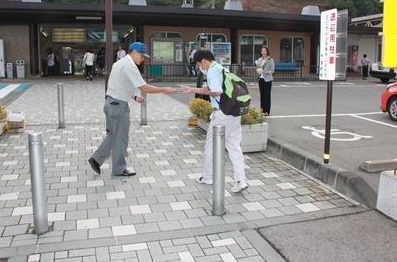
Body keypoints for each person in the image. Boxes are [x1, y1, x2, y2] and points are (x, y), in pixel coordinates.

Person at [88, 42, 176, 177]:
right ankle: (118, 169)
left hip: (110, 103)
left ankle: (96, 159)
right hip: (119, 106)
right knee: (121, 138)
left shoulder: (118, 64)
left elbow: (120, 84)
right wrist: (164, 89)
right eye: (142, 55)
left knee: (113, 135)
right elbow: (144, 87)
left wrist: (134, 96)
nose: (143, 59)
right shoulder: (130, 66)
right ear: (134, 52)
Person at [181, 49, 248, 193]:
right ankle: (240, 180)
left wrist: (206, 89)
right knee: (234, 147)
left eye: (199, 64)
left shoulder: (212, 71)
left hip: (222, 114)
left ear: (204, 61)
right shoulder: (221, 68)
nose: (200, 68)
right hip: (234, 112)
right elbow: (212, 90)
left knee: (211, 146)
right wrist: (193, 89)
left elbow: (217, 91)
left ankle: (207, 177)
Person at [255, 46, 275, 115]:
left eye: (264, 51)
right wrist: (258, 69)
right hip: (261, 79)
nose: (263, 52)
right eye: (262, 51)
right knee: (262, 95)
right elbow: (257, 68)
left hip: (268, 79)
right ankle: (262, 110)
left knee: (267, 95)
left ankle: (267, 111)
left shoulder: (270, 60)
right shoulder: (259, 60)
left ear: (267, 52)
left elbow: (272, 70)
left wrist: (265, 72)